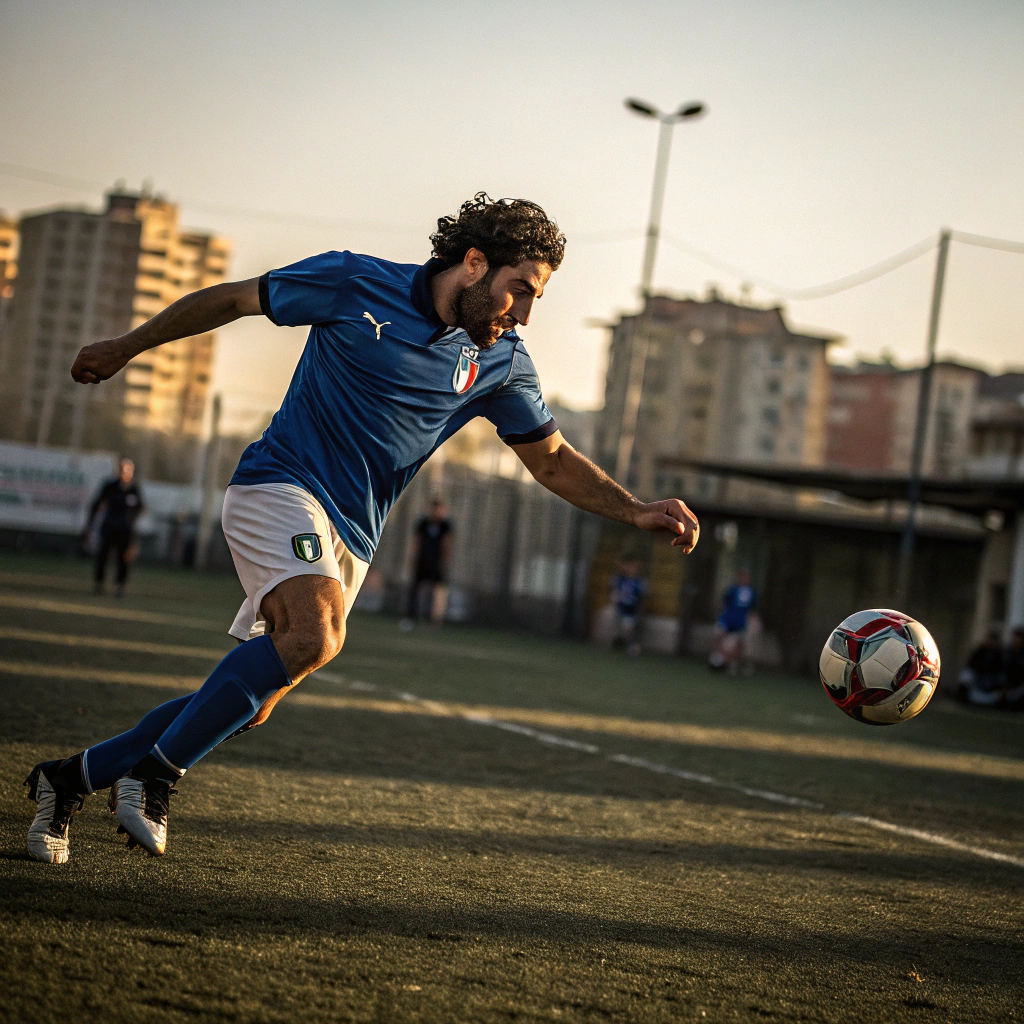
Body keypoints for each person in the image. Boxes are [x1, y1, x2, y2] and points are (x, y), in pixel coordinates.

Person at [25, 193, 699, 865]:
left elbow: (551, 462)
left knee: (252, 703)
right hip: (278, 484)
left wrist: (635, 509)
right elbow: (233, 300)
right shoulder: (355, 282)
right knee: (315, 635)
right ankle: (155, 776)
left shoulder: (502, 361)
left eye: (535, 300)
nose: (523, 313)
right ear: (472, 263)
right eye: (518, 290)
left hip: (353, 535)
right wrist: (126, 346)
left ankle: (69, 778)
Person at [87, 458, 144, 597]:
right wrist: (89, 526)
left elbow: (140, 507)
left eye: (128, 469)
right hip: (109, 526)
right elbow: (97, 504)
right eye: (123, 469)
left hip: (125, 529)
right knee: (103, 556)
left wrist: (132, 522)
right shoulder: (110, 486)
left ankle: (120, 586)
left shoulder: (134, 488)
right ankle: (99, 584)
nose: (125, 472)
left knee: (123, 559)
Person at [401, 499, 453, 629]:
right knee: (415, 589)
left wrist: (444, 562)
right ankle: (411, 617)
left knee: (438, 591)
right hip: (422, 561)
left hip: (436, 564)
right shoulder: (423, 524)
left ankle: (435, 620)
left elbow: (446, 545)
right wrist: (412, 559)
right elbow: (416, 542)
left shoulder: (445, 526)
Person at [709, 568, 757, 673]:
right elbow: (723, 603)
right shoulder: (732, 590)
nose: (744, 579)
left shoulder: (752, 593)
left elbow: (753, 609)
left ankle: (733, 664)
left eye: (746, 577)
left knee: (739, 644)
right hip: (727, 619)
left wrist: (752, 622)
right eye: (742, 576)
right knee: (717, 636)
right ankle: (717, 658)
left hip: (741, 622)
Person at [955, 630, 1005, 706]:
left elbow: (999, 674)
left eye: (993, 641)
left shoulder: (1000, 655)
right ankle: (961, 696)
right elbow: (971, 666)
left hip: (989, 687)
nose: (991, 642)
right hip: (976, 682)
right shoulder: (980, 651)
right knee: (966, 675)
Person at [609, 558, 647, 655]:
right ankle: (621, 642)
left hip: (631, 608)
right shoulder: (620, 579)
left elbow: (641, 595)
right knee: (621, 627)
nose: (631, 570)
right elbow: (614, 591)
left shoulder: (638, 582)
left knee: (628, 628)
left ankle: (632, 645)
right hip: (621, 607)